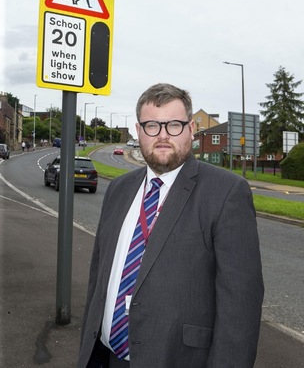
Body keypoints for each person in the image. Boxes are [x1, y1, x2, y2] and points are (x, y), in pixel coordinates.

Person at [78, 83, 264, 368]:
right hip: (106, 357)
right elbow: (98, 277)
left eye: (174, 125)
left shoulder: (227, 192)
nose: (163, 135)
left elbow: (240, 310)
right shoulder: (118, 189)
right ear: (138, 131)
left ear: (191, 129)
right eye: (152, 125)